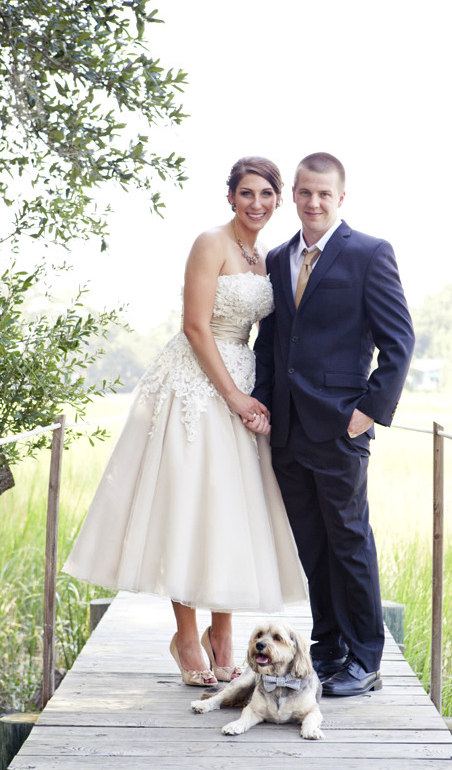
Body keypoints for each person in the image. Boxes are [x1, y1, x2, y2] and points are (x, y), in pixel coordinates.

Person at [63, 156, 307, 687]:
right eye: (247, 193)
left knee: (230, 510)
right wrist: (233, 396)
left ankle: (224, 636)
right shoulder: (210, 243)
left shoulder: (266, 257)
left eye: (267, 195)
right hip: (197, 385)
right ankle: (186, 636)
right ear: (230, 197)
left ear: (278, 199)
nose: (257, 204)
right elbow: (195, 327)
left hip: (243, 378)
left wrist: (256, 394)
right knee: (188, 504)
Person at [249, 152, 415, 697]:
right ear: (293, 196)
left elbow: (398, 342)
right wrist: (265, 406)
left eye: (325, 194)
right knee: (312, 547)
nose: (314, 202)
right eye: (305, 193)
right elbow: (273, 345)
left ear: (340, 198)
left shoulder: (369, 253)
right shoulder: (277, 258)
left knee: (349, 541)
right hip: (289, 431)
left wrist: (367, 412)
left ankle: (366, 660)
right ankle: (328, 650)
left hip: (341, 426)